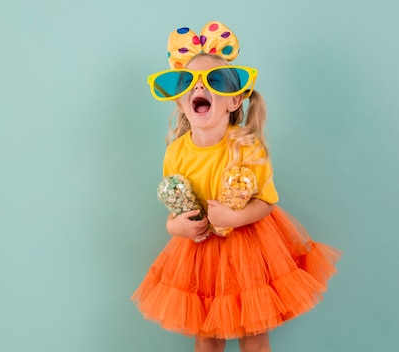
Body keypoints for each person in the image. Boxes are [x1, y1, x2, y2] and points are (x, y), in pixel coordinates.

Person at [131, 21, 341, 352]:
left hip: (250, 246)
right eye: (188, 83)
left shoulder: (246, 146)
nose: (200, 89)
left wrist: (234, 218)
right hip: (199, 253)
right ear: (181, 102)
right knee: (207, 333)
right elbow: (175, 212)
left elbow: (268, 202)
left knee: (254, 332)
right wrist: (177, 227)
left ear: (233, 102)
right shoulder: (176, 152)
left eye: (214, 81)